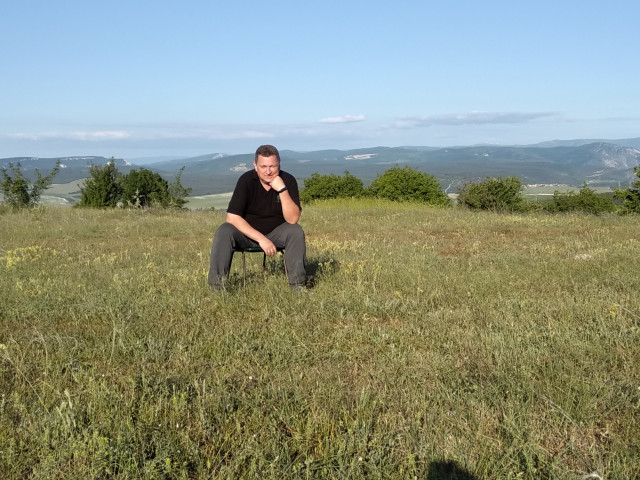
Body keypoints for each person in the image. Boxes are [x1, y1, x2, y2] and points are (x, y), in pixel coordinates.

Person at [208, 144, 306, 291]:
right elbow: (232, 217)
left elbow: (292, 219)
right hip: (248, 235)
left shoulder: (288, 180)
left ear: (279, 164)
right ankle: (216, 288)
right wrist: (262, 239)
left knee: (296, 231)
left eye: (273, 166)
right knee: (224, 230)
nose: (268, 171)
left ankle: (298, 286)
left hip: (277, 232)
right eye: (263, 166)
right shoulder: (246, 180)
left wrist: (282, 190)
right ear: (255, 165)